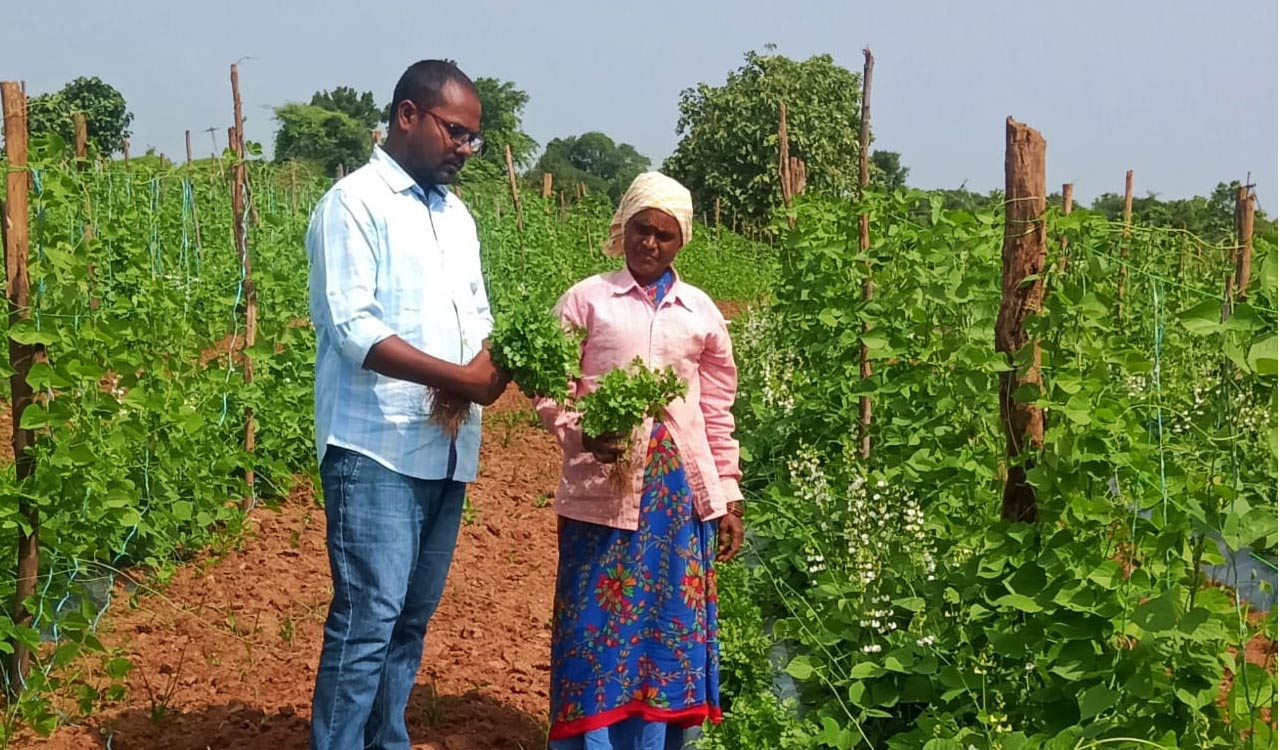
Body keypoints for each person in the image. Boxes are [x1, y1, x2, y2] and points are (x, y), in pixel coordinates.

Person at [305, 59, 508, 750]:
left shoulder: (458, 218)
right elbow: (353, 328)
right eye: (456, 132)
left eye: (474, 139)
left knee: (410, 621)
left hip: (445, 451)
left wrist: (492, 367)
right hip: (376, 449)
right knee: (368, 620)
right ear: (408, 115)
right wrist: (458, 376)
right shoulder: (353, 204)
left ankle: (384, 739)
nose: (465, 148)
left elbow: (478, 316)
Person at [534, 172, 746, 750]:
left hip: (679, 499)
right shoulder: (587, 299)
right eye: (641, 229)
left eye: (665, 234)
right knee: (592, 622)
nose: (650, 243)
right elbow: (550, 388)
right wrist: (581, 432)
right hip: (602, 488)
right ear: (623, 228)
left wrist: (727, 495)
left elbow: (718, 409)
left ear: (683, 242)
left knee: (664, 627)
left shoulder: (698, 311)